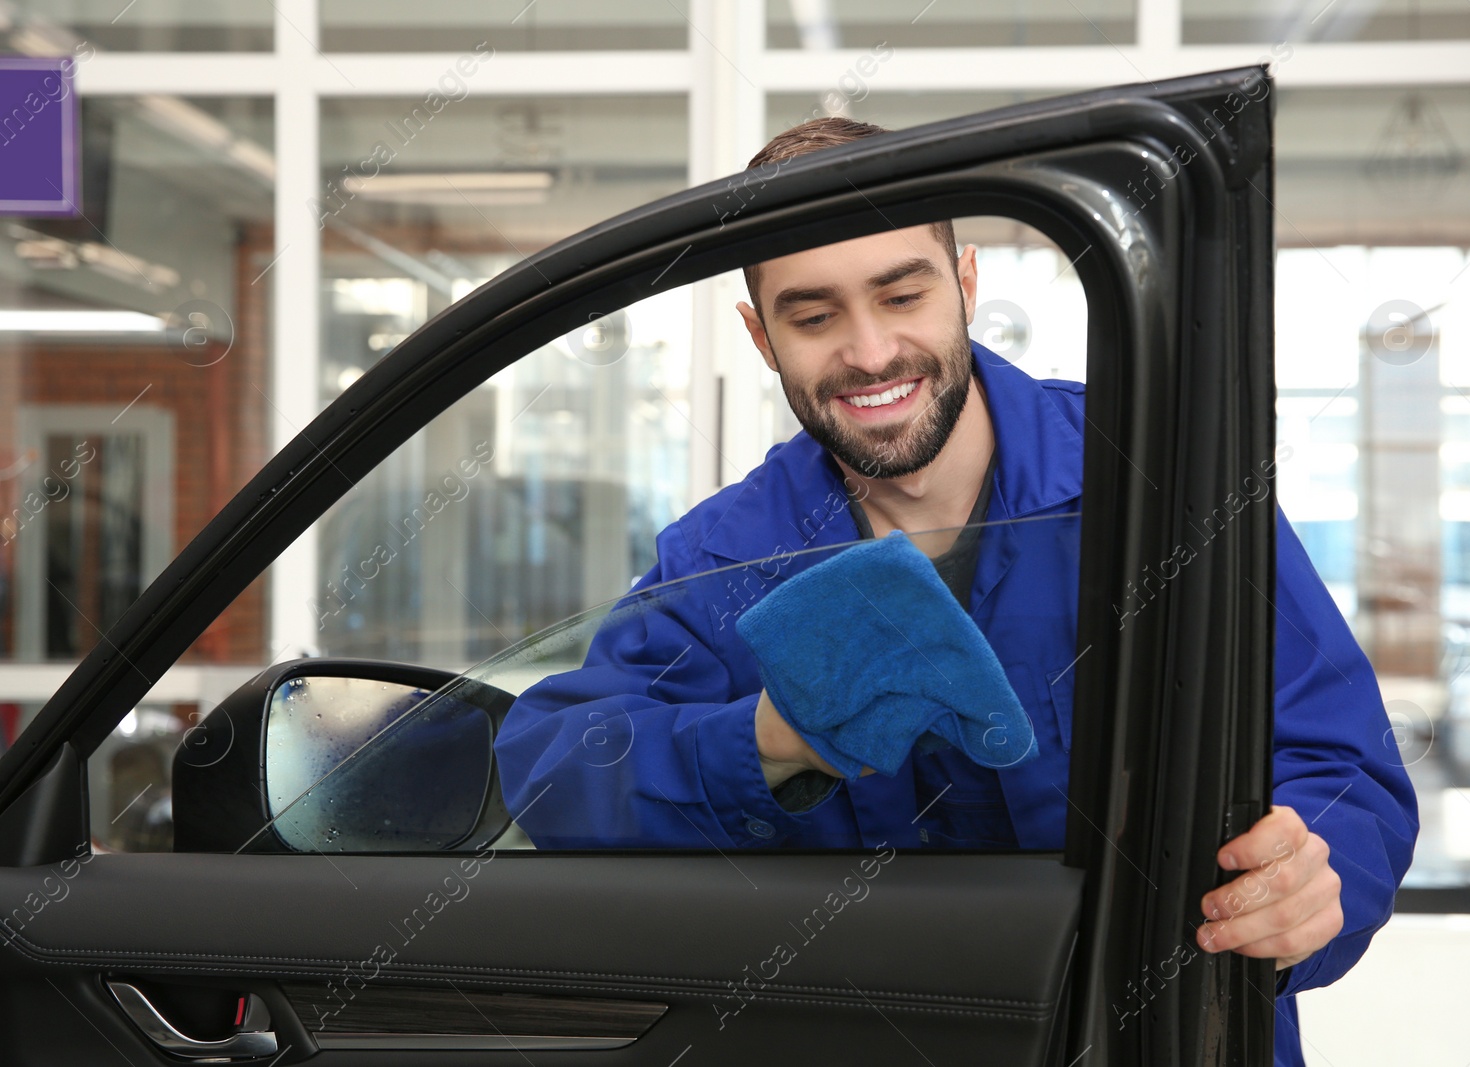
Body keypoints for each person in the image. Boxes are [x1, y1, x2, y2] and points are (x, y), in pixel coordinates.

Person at [493, 117, 1419, 1067]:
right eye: (813, 317)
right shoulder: (726, 554)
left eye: (902, 293)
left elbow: (1344, 763)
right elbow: (558, 769)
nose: (869, 351)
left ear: (966, 284)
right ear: (760, 336)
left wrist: (1318, 870)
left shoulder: (1165, 483)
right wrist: (773, 740)